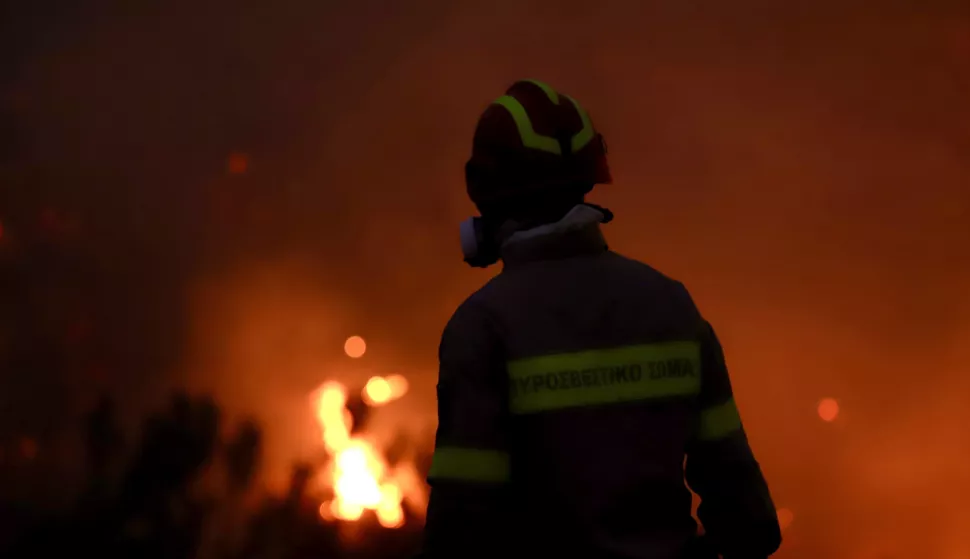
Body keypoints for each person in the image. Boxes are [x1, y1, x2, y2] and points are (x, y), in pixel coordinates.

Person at [421, 79, 782, 559]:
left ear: (486, 196)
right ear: (588, 183)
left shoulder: (482, 328)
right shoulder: (671, 305)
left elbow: (460, 535)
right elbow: (751, 524)